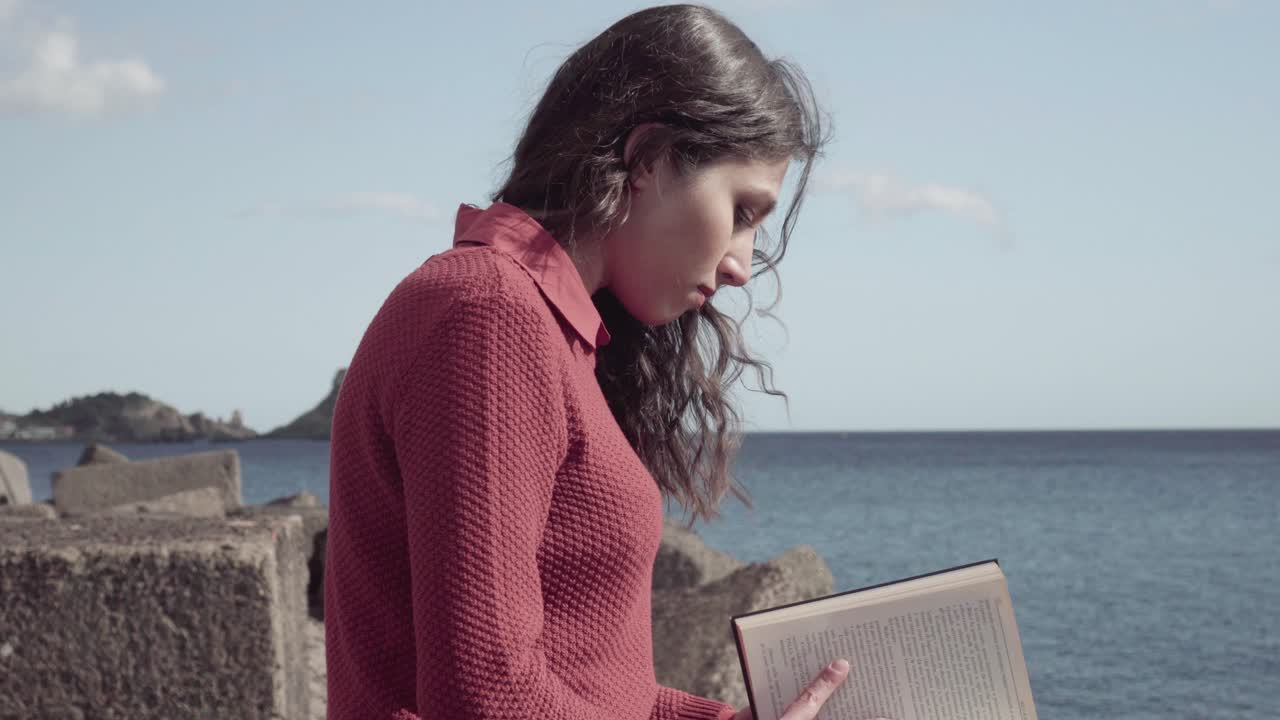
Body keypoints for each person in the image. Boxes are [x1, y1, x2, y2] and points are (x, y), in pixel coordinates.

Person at [325, 5, 887, 719]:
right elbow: (485, 696)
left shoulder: (545, 329)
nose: (743, 264)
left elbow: (591, 686)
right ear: (648, 157)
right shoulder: (490, 313)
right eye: (743, 211)